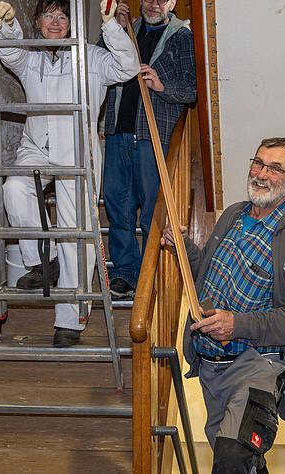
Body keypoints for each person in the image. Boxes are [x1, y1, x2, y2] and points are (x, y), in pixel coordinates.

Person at [162, 138, 285, 473]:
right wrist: (182, 246)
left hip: (255, 367)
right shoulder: (233, 215)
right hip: (211, 369)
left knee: (233, 458)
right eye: (259, 163)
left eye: (275, 168)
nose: (262, 174)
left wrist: (238, 324)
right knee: (239, 464)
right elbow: (205, 276)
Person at [0, 0, 139, 347]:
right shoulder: (31, 58)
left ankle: (70, 320)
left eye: (62, 16)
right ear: (37, 22)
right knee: (14, 188)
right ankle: (45, 259)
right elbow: (8, 53)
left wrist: (110, 25)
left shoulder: (93, 57)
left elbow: (128, 66)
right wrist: (9, 25)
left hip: (78, 149)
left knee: (75, 234)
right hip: (36, 146)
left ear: (71, 23)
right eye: (48, 15)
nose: (55, 22)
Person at [102, 0, 196, 300]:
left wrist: (161, 86)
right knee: (118, 205)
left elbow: (193, 88)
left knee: (152, 212)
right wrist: (113, 26)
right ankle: (124, 272)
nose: (154, 4)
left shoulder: (183, 36)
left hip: (153, 135)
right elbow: (94, 62)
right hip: (118, 130)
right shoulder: (127, 30)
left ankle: (148, 275)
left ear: (172, 3)